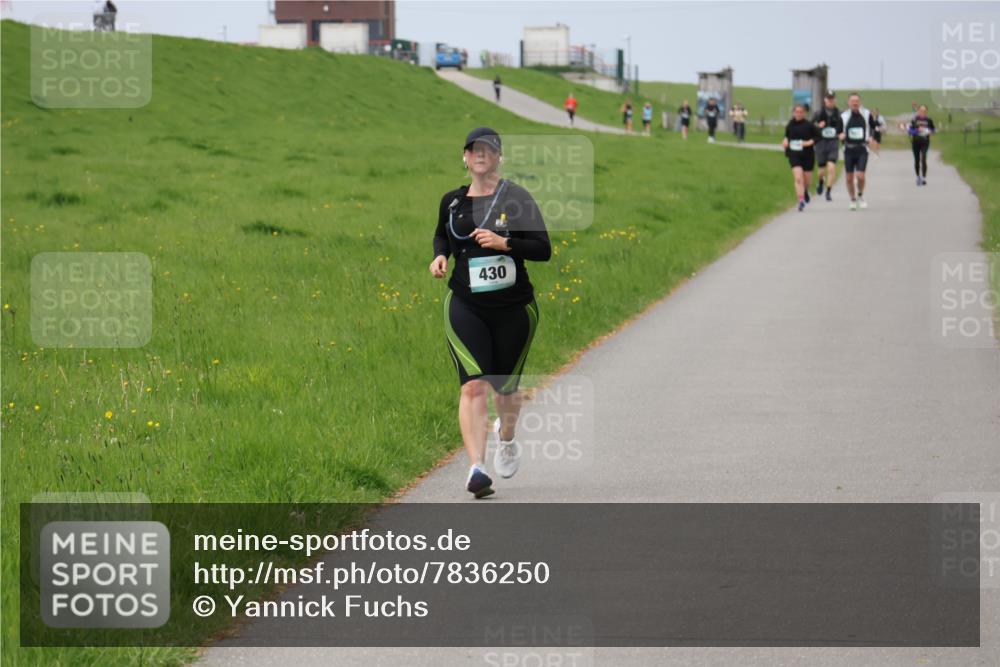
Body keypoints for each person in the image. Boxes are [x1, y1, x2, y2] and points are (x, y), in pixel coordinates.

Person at [430, 127, 552, 499]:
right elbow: (441, 234)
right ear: (465, 157)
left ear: (499, 157)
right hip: (465, 305)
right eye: (474, 149)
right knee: (473, 384)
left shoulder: (517, 198)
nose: (480, 154)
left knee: (506, 389)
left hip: (514, 309)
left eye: (488, 149)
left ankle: (507, 436)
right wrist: (439, 256)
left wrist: (505, 243)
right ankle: (477, 468)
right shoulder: (452, 202)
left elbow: (543, 249)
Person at [838, 93, 877, 211]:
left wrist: (871, 137)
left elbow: (873, 127)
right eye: (852, 101)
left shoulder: (866, 114)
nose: (855, 103)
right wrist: (840, 135)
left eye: (856, 101)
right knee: (849, 178)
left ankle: (860, 195)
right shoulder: (843, 116)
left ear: (860, 102)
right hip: (848, 149)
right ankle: (852, 199)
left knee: (860, 176)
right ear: (848, 102)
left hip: (862, 149)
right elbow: (838, 131)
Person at [783, 104, 818, 212]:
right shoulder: (790, 125)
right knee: (798, 178)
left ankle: (805, 190)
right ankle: (801, 201)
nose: (798, 114)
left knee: (807, 181)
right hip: (794, 154)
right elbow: (786, 136)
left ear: (804, 113)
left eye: (801, 112)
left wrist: (809, 142)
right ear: (793, 113)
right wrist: (785, 141)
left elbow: (818, 136)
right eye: (796, 112)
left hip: (808, 155)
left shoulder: (809, 125)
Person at [811, 91, 842, 202]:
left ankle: (828, 192)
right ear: (825, 100)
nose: (830, 101)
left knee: (832, 168)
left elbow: (844, 126)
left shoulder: (839, 113)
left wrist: (842, 134)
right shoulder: (818, 113)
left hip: (833, 142)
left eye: (832, 99)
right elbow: (810, 126)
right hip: (821, 143)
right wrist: (818, 126)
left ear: (835, 100)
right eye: (828, 99)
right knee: (821, 170)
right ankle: (821, 182)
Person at [908, 105, 936, 186]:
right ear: (918, 111)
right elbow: (910, 130)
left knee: (923, 158)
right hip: (915, 142)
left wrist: (929, 131)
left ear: (926, 111)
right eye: (921, 110)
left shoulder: (929, 120)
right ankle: (918, 177)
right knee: (917, 160)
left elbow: (933, 130)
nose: (922, 112)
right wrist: (917, 130)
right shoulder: (914, 119)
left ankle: (923, 177)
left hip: (925, 142)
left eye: (924, 111)